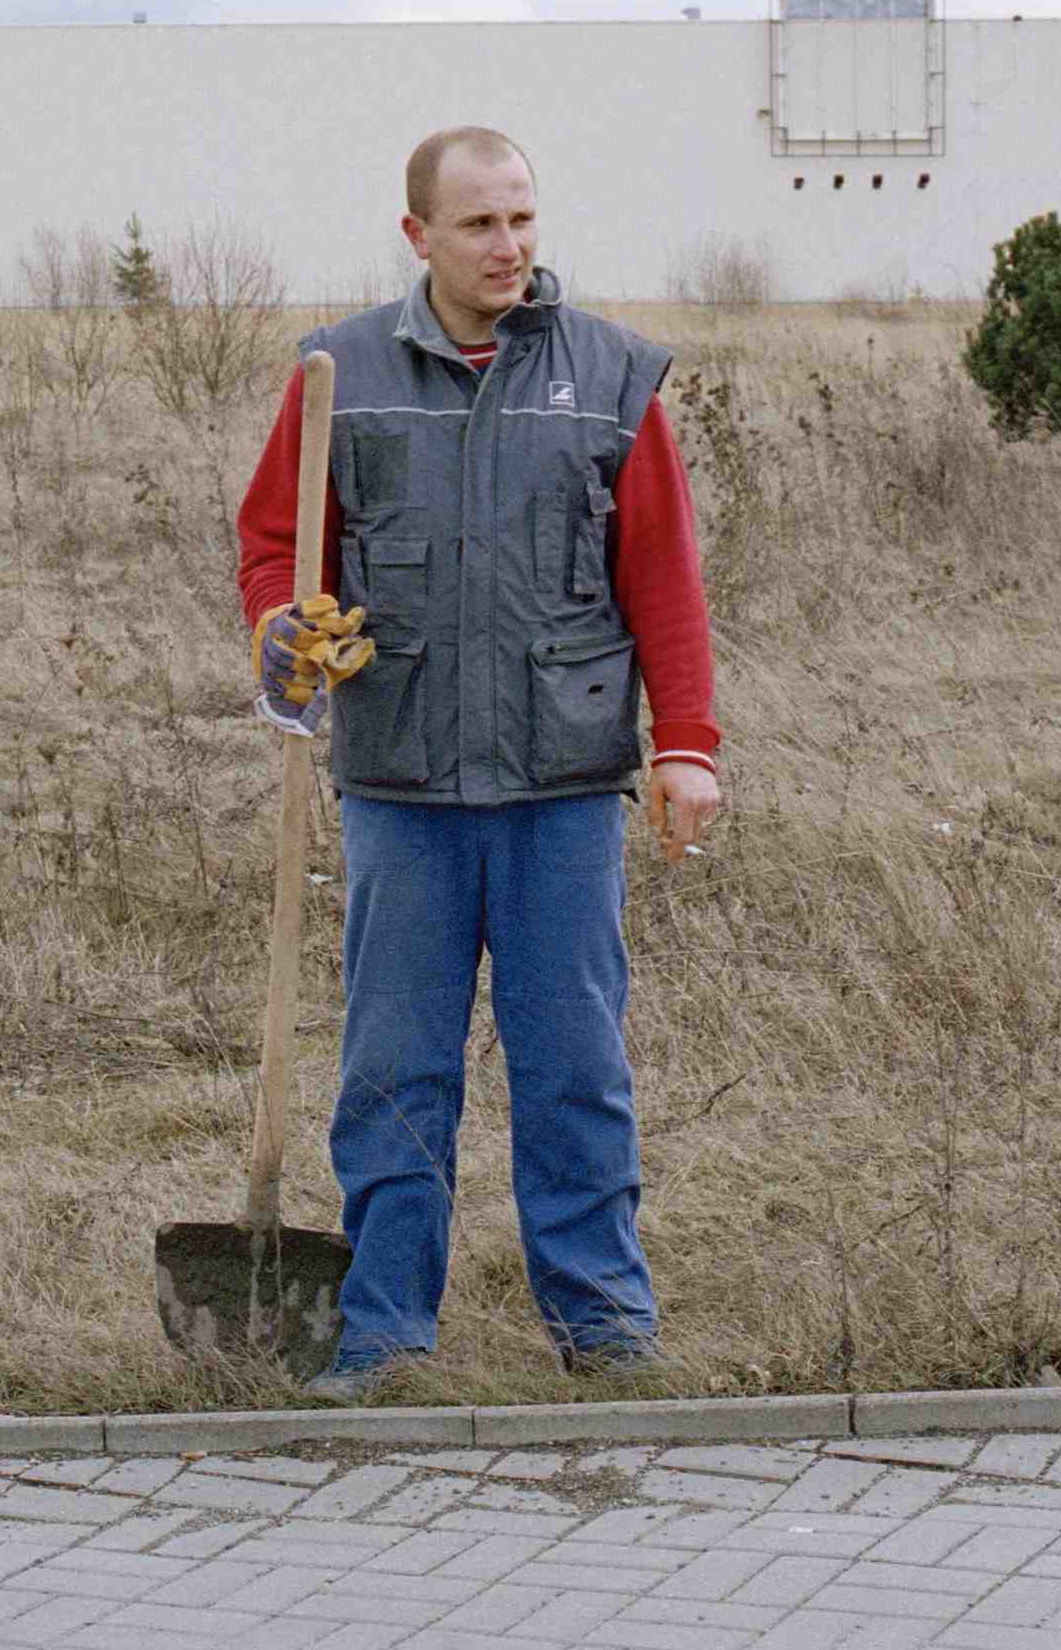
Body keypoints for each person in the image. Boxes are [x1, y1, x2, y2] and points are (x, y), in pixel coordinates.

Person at [231, 125, 722, 1392]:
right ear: (418, 237)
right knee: (393, 1070)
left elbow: (661, 575)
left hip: (562, 789)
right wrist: (282, 632)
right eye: (477, 225)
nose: (506, 246)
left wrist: (685, 746)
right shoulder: (336, 373)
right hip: (401, 787)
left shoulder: (609, 377)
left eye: (520, 219)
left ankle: (603, 1325)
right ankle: (383, 1330)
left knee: (574, 1064)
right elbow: (275, 549)